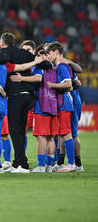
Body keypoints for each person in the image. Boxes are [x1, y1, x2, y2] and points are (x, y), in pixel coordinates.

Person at [0, 32, 46, 172]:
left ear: (1, 43)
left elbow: (4, 58)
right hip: (27, 97)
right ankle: (19, 162)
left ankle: (21, 165)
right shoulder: (19, 57)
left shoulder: (4, 58)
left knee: (15, 131)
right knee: (20, 130)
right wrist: (40, 62)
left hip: (15, 96)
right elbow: (23, 67)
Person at [10, 45, 56, 173]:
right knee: (50, 136)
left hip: (41, 103)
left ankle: (41, 166)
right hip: (52, 102)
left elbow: (38, 78)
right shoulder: (52, 67)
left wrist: (21, 78)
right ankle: (49, 166)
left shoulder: (38, 66)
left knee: (40, 136)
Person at [45, 42, 76, 172]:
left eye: (49, 53)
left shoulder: (62, 67)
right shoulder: (58, 67)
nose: (47, 56)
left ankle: (72, 164)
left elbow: (69, 84)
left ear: (56, 52)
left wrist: (53, 85)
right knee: (61, 134)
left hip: (64, 103)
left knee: (66, 133)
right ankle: (60, 162)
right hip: (60, 103)